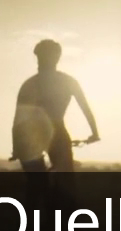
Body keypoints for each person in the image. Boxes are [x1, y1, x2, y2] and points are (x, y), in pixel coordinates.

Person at [11, 39, 100, 173]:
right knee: (65, 178)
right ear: (57, 58)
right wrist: (94, 133)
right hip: (57, 132)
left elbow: (18, 119)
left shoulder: (29, 84)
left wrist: (16, 147)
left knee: (37, 181)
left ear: (38, 57)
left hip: (31, 135)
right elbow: (85, 109)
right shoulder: (68, 81)